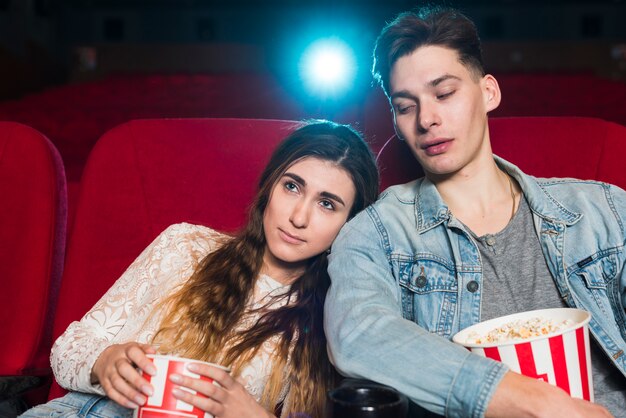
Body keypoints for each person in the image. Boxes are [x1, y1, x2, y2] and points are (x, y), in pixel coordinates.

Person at [324, 7, 625, 418]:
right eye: (406, 106)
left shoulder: (603, 209)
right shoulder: (375, 233)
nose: (427, 119)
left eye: (444, 94)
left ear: (488, 92)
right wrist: (534, 400)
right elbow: (357, 334)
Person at [22, 120, 379, 418]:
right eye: (291, 186)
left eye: (327, 204)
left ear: (349, 225)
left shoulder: (335, 318)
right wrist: (105, 361)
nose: (298, 217)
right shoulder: (186, 246)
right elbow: (68, 348)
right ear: (269, 187)